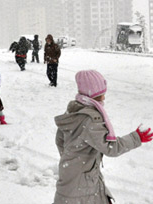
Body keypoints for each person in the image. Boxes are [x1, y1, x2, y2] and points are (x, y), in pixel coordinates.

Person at [53, 70, 153, 204]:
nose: (104, 98)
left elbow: (59, 140)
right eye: (101, 95)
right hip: (82, 185)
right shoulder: (90, 120)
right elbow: (111, 148)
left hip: (72, 176)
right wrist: (137, 138)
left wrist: (72, 159)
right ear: (92, 96)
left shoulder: (72, 112)